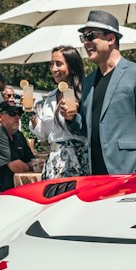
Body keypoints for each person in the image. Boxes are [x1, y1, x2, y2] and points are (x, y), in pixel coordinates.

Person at [79, 11, 136, 175]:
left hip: (128, 169)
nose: (85, 43)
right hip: (93, 173)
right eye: (83, 38)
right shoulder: (87, 82)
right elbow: (84, 128)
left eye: (90, 36)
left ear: (110, 39)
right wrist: (70, 117)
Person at [32, 45, 89, 178]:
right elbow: (43, 134)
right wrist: (30, 112)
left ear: (72, 67)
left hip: (77, 159)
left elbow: (90, 128)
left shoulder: (84, 93)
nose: (54, 69)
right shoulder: (51, 96)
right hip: (54, 159)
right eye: (51, 64)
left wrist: (74, 117)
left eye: (59, 64)